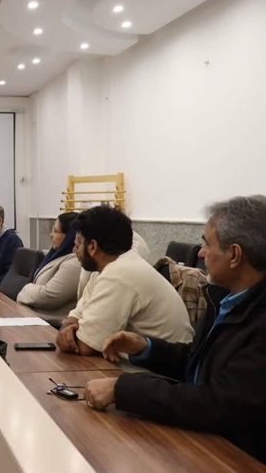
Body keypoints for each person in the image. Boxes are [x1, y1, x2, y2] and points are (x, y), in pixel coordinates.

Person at [85, 196, 266, 463]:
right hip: (203, 440)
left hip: (235, 457)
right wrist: (145, 347)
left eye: (207, 244)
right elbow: (198, 363)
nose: (200, 253)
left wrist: (123, 389)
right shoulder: (225, 298)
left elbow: (218, 403)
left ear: (234, 255)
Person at [56, 206, 193, 356]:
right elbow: (76, 315)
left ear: (93, 246)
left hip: (158, 368)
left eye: (78, 244)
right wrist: (69, 326)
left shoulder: (119, 274)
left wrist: (69, 332)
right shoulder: (106, 270)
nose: (74, 250)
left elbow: (86, 346)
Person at [17, 212, 81, 326]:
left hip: (50, 324)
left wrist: (26, 289)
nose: (51, 235)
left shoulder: (75, 263)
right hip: (34, 316)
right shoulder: (56, 255)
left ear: (69, 236)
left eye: (55, 231)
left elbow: (49, 296)